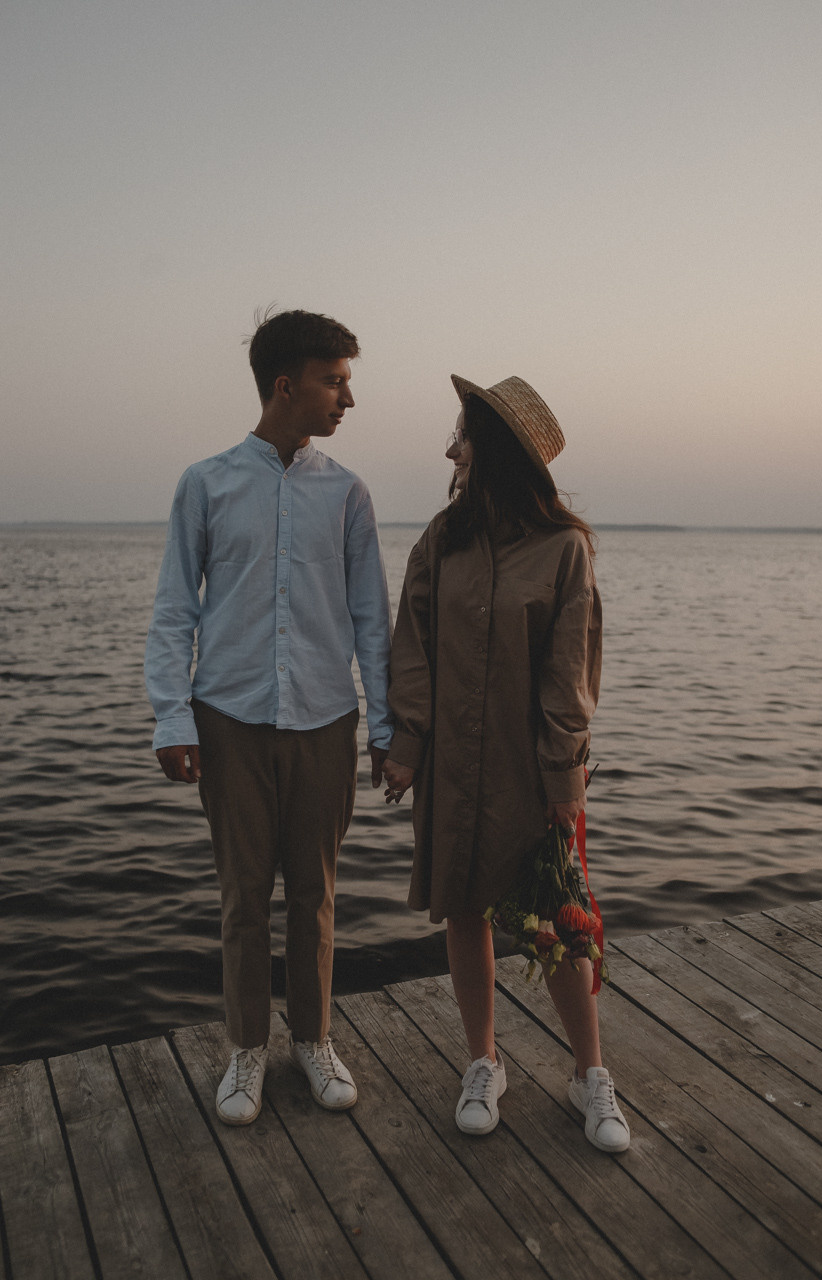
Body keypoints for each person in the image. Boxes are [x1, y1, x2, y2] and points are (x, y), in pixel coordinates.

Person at [144, 308, 392, 1125]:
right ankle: (247, 1049)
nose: (346, 399)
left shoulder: (347, 492)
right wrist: (172, 717)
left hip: (325, 720)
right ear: (286, 385)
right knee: (243, 897)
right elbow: (174, 609)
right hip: (228, 719)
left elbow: (371, 621)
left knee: (315, 896)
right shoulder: (205, 483)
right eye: (334, 382)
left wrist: (385, 727)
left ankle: (314, 1039)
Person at [381, 374, 629, 1153]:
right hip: (451, 765)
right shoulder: (440, 541)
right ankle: (483, 1062)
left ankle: (589, 1074)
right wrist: (406, 747)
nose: (449, 450)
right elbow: (411, 648)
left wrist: (563, 778)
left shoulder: (563, 549)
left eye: (460, 435)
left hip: (530, 772)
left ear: (490, 449)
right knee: (464, 910)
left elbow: (570, 674)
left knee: (554, 922)